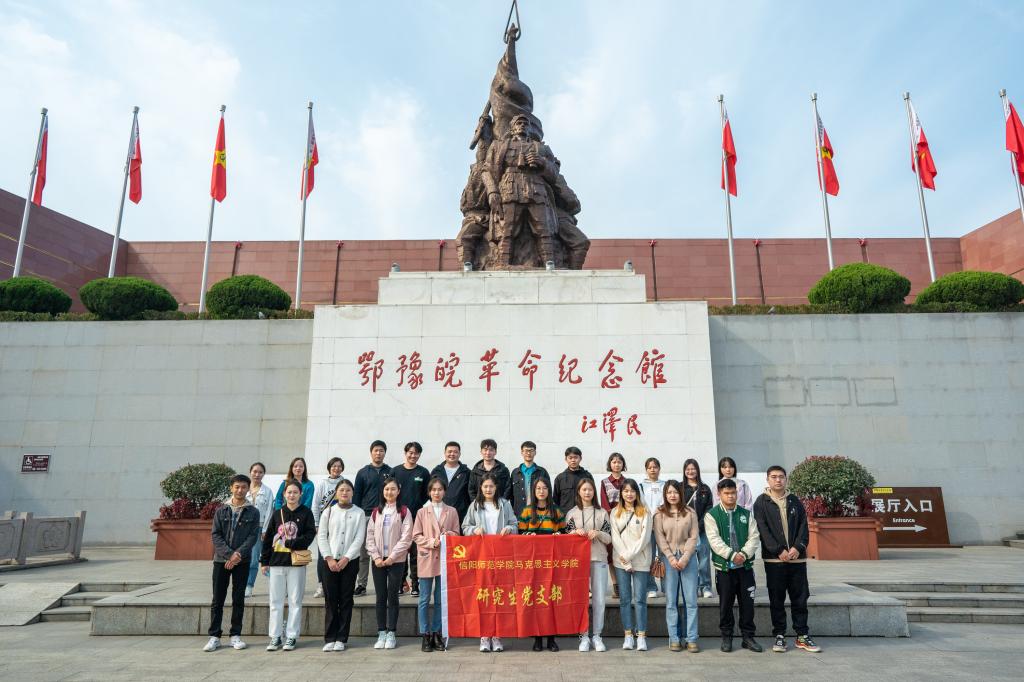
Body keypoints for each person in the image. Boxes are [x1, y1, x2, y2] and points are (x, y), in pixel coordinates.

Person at [752, 466, 820, 654]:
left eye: (781, 477)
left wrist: (798, 548)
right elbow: (763, 530)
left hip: (797, 560)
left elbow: (803, 527)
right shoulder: (761, 502)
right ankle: (779, 635)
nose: (778, 480)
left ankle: (802, 635)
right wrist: (778, 550)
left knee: (800, 598)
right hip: (775, 561)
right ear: (767, 479)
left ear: (786, 479)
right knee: (777, 599)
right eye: (774, 477)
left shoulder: (795, 501)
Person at [203, 473, 261, 652]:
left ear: (248, 489)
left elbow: (253, 537)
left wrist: (237, 556)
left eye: (243, 487)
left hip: (242, 562)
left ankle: (235, 635)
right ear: (231, 488)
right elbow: (216, 535)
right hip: (221, 561)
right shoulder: (221, 510)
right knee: (217, 599)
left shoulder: (253, 512)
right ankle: (214, 636)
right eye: (237, 487)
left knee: (238, 598)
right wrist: (230, 555)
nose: (240, 490)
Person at [705, 478, 762, 654]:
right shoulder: (712, 515)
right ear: (719, 494)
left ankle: (748, 637)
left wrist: (743, 555)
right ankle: (727, 637)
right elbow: (714, 540)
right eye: (726, 493)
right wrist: (731, 555)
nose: (730, 496)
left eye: (733, 493)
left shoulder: (746, 514)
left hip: (745, 568)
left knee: (747, 604)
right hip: (725, 568)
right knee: (725, 605)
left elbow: (754, 537)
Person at [462, 473, 517, 652]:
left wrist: (508, 528)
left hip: (501, 557)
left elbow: (515, 524)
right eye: (485, 486)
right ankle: (484, 636)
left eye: (491, 486)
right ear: (480, 488)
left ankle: (497, 635)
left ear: (496, 487)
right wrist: (474, 530)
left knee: (499, 596)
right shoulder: (475, 505)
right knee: (484, 595)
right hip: (482, 557)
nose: (488, 489)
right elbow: (465, 527)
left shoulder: (505, 504)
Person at [261, 480, 316, 651]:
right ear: (284, 494)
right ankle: (275, 636)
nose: (292, 495)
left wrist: (293, 543)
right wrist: (264, 561)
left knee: (295, 600)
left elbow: (310, 535)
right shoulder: (277, 513)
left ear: (300, 494)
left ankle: (291, 636)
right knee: (275, 601)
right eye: (289, 492)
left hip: (296, 563)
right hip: (276, 562)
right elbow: (268, 538)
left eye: (295, 492)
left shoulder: (306, 513)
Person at [412, 476, 461, 652]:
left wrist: (449, 535)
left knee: (441, 599)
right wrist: (431, 542)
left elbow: (457, 532)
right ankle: (425, 634)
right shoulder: (422, 512)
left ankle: (437, 632)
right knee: (424, 599)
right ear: (429, 492)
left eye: (440, 489)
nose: (437, 493)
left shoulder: (452, 511)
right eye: (433, 490)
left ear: (445, 492)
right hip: (427, 557)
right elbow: (416, 535)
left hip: (444, 559)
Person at [317, 479, 365, 653]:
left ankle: (342, 638)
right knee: (331, 600)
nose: (345, 493)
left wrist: (346, 558)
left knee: (346, 599)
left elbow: (359, 538)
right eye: (341, 490)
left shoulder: (359, 513)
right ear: (336, 493)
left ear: (352, 493)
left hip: (349, 563)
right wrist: (329, 558)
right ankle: (330, 638)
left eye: (348, 490)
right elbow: (322, 536)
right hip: (329, 562)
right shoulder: (328, 511)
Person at [365, 477, 413, 650]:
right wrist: (376, 556)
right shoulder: (376, 511)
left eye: (393, 489)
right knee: (380, 596)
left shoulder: (404, 511)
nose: (389, 492)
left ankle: (391, 632)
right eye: (386, 489)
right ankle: (381, 632)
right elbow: (369, 536)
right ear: (382, 491)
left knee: (392, 595)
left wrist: (392, 557)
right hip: (378, 561)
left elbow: (406, 537)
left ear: (398, 491)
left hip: (396, 561)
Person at [517, 477, 565, 653]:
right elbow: (519, 534)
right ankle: (537, 638)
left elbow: (564, 533)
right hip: (533, 563)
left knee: (551, 600)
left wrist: (559, 535)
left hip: (552, 563)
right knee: (536, 599)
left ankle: (551, 639)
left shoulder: (556, 511)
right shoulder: (527, 511)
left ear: (549, 490)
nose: (541, 491)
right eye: (538, 488)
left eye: (544, 488)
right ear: (533, 491)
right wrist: (527, 536)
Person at [565, 478, 611, 653]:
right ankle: (583, 635)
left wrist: (598, 533)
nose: (587, 492)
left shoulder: (602, 513)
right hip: (578, 562)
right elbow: (565, 538)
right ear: (579, 491)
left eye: (590, 489)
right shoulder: (572, 513)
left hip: (598, 559)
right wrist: (574, 533)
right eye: (584, 489)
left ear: (594, 492)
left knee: (599, 599)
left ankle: (597, 635)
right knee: (581, 599)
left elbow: (609, 538)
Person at [654, 480, 699, 653]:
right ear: (665, 494)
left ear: (681, 494)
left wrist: (685, 557)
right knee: (671, 601)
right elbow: (660, 538)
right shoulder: (659, 513)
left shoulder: (690, 512)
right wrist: (671, 558)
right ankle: (674, 638)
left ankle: (691, 638)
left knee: (691, 601)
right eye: (669, 492)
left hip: (689, 559)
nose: (672, 495)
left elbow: (694, 536)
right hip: (669, 559)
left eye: (675, 492)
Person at [610, 478, 651, 652]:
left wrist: (629, 556)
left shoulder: (645, 512)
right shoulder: (615, 512)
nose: (629, 494)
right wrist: (625, 560)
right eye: (626, 491)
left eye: (632, 491)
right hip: (621, 563)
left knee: (640, 599)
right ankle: (628, 635)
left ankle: (641, 636)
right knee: (625, 599)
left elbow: (645, 538)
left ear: (637, 493)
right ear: (621, 493)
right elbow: (615, 538)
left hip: (640, 560)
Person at [352, 440, 393, 596]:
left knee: (384, 551)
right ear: (371, 452)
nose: (378, 453)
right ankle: (361, 584)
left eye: (381, 450)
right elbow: (357, 496)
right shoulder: (363, 472)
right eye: (376, 450)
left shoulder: (390, 471)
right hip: (366, 515)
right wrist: (356, 515)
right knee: (364, 553)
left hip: (385, 514)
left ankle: (386, 585)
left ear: (385, 453)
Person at [393, 442, 430, 597]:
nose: (413, 455)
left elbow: (427, 494)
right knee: (400, 551)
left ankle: (415, 584)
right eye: (410, 452)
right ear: (405, 453)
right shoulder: (395, 471)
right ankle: (401, 584)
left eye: (416, 453)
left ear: (419, 455)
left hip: (416, 517)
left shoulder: (423, 472)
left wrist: (418, 505)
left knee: (415, 553)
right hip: (398, 516)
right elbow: (389, 491)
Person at [312, 457, 346, 599]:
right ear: (329, 468)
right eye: (333, 466)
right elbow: (315, 505)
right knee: (323, 555)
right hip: (324, 524)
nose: (336, 468)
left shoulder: (345, 483)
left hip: (341, 525)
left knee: (340, 553)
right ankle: (321, 584)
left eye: (339, 466)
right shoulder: (322, 484)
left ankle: (338, 584)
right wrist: (316, 523)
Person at [682, 458, 714, 598]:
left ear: (697, 470)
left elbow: (709, 509)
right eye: (688, 469)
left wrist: (699, 526)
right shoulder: (680, 488)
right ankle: (692, 587)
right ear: (684, 471)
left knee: (704, 560)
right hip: (685, 532)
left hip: (702, 530)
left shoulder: (705, 488)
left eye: (693, 469)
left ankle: (705, 586)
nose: (690, 471)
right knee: (689, 560)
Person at [600, 452, 627, 599]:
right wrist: (612, 515)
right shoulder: (604, 482)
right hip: (611, 521)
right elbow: (604, 503)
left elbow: (631, 500)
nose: (617, 464)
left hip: (626, 521)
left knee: (624, 551)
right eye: (614, 462)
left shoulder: (627, 481)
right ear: (610, 464)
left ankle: (625, 584)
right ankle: (616, 585)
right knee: (611, 554)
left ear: (623, 464)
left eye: (619, 462)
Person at [244, 462, 274, 598]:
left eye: (260, 472)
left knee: (255, 559)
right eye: (255, 471)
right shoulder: (243, 489)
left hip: (260, 528)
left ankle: (249, 586)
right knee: (245, 559)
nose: (257, 474)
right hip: (244, 528)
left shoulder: (267, 491)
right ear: (250, 472)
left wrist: (265, 530)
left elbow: (269, 512)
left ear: (263, 474)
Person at [639, 457, 666, 599]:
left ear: (659, 469)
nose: (652, 470)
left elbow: (666, 503)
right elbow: (641, 505)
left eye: (655, 467)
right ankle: (651, 587)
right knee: (649, 557)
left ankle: (666, 586)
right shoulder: (641, 486)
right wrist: (649, 520)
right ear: (646, 470)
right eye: (649, 467)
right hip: (647, 525)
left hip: (662, 525)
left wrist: (658, 517)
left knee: (664, 556)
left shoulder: (665, 485)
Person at [430, 441, 472, 522]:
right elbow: (430, 491)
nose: (452, 454)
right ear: (445, 453)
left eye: (455, 452)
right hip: (439, 514)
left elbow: (470, 493)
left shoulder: (466, 472)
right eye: (449, 451)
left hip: (461, 515)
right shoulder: (436, 471)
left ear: (459, 454)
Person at [510, 440, 550, 516]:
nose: (528, 453)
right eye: (526, 451)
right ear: (522, 452)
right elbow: (511, 495)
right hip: (519, 513)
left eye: (531, 451)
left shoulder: (542, 472)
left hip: (538, 512)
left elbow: (548, 492)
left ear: (535, 452)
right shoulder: (515, 473)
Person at [553, 446, 594, 514]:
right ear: (566, 459)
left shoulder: (587, 476)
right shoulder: (560, 478)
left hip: (585, 514)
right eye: (570, 458)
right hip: (565, 515)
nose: (573, 460)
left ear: (580, 458)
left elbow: (593, 496)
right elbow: (555, 500)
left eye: (575, 457)